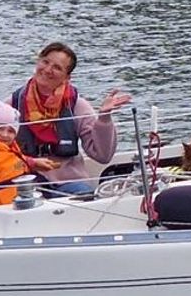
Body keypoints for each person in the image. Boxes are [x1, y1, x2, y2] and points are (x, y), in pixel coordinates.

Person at [9, 42, 131, 196]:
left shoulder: (77, 105)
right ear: (38, 62)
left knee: (85, 196)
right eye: (45, 62)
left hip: (68, 183)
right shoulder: (12, 103)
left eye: (57, 67)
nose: (47, 70)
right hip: (26, 182)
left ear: (67, 77)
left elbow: (102, 156)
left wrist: (104, 119)